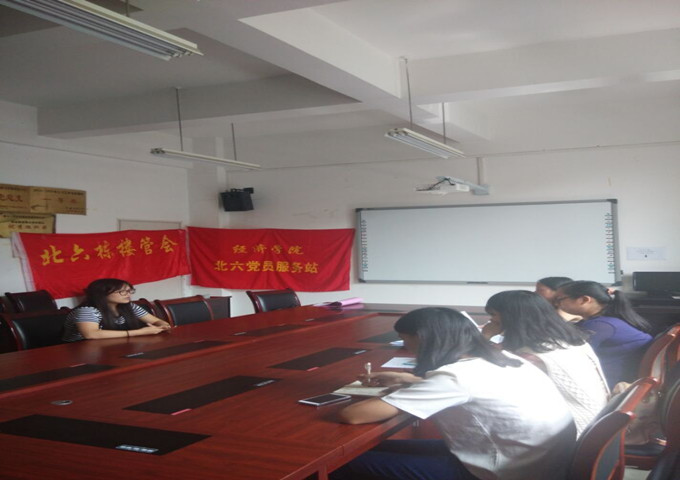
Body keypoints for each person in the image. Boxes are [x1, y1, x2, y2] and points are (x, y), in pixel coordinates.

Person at [332, 307, 576, 480]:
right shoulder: (504, 357)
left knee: (340, 465)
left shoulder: (455, 378)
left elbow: (354, 415)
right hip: (536, 462)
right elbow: (473, 389)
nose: (407, 347)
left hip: (498, 472)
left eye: (405, 340)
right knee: (372, 450)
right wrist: (411, 381)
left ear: (423, 339)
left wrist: (401, 391)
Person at [485, 290, 609, 435]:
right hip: (596, 420)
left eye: (493, 314)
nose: (490, 320)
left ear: (511, 317)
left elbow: (494, 383)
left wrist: (485, 338)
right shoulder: (570, 341)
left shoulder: (531, 357)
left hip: (573, 430)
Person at [554, 280, 653, 388]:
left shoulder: (600, 325)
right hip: (618, 378)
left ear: (584, 300)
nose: (556, 304)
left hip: (614, 385)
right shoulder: (603, 321)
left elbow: (568, 355)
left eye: (560, 299)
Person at [62, 278, 171, 342]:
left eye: (129, 291)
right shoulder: (87, 310)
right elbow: (91, 334)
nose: (128, 295)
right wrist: (140, 332)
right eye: (122, 292)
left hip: (110, 345)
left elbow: (156, 321)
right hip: (78, 351)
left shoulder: (129, 306)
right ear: (102, 294)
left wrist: (162, 325)